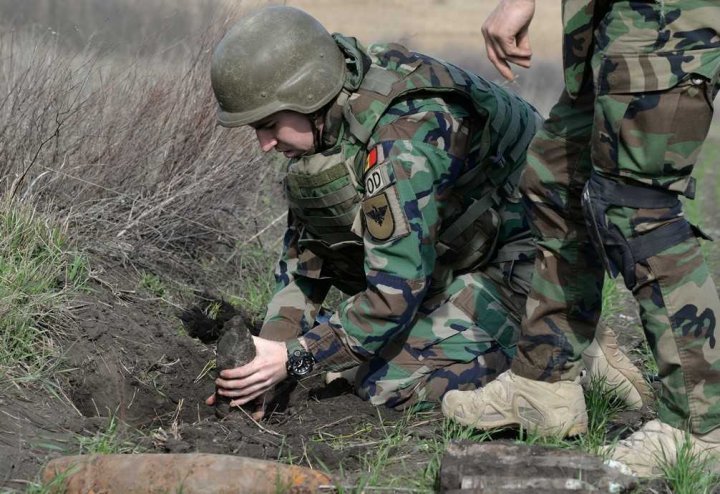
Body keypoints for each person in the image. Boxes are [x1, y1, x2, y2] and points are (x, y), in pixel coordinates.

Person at [204, 5, 645, 418]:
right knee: (347, 359)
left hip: (535, 255)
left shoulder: (402, 140)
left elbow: (393, 296)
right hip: (462, 252)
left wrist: (298, 359)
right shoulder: (326, 130)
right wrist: (268, 362)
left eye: (267, 124)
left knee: (384, 385)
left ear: (306, 94)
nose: (263, 144)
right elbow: (305, 267)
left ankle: (557, 343)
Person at [442, 0, 720, 477]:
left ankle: (703, 425)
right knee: (557, 176)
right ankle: (544, 382)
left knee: (637, 205)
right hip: (612, 18)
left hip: (665, 14)